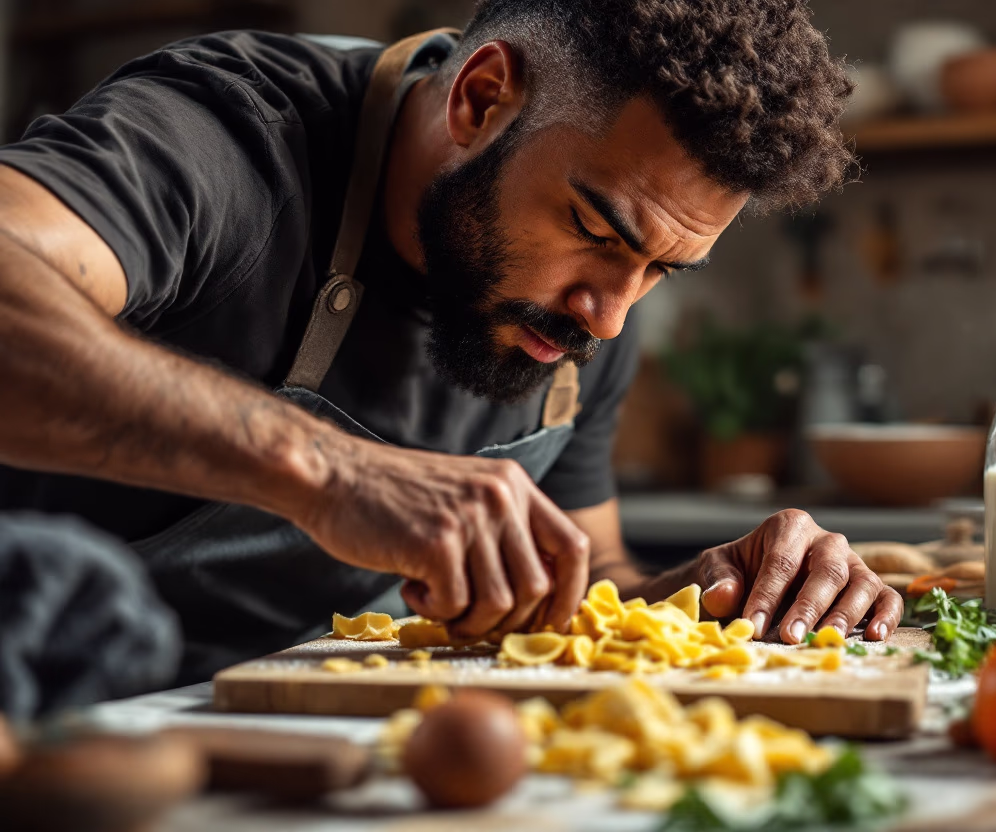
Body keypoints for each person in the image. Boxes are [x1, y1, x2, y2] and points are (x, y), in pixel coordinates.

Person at [0, 0, 902, 684]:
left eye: (665, 269)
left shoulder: (585, 303)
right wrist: (333, 471)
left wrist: (706, 595)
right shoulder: (230, 136)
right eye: (596, 228)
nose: (611, 315)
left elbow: (589, 577)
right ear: (480, 100)